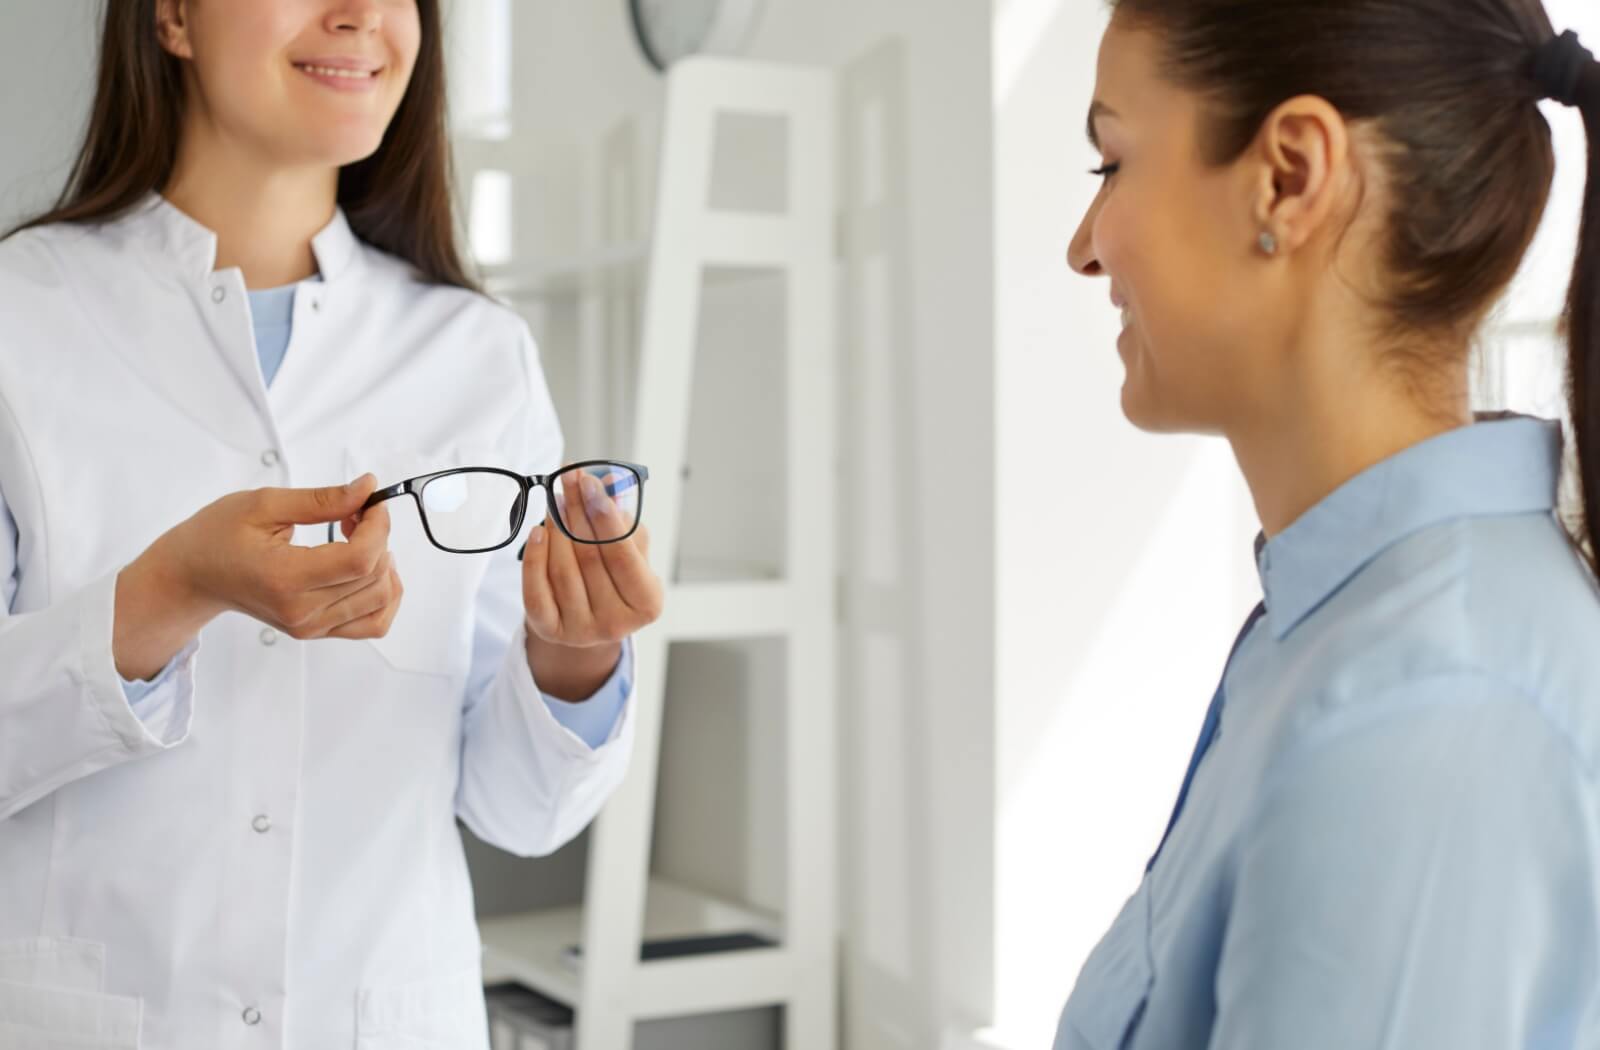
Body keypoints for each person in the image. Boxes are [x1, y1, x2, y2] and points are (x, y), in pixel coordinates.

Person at [0, 1, 663, 1045]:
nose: (359, 15)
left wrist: (571, 659)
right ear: (172, 15)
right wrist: (170, 592)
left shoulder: (477, 357)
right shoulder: (21, 320)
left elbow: (520, 811)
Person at [1058, 0, 1600, 1045]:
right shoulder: (1345, 627)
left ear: (1290, 176)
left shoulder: (1424, 708)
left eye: (1110, 166)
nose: (1084, 248)